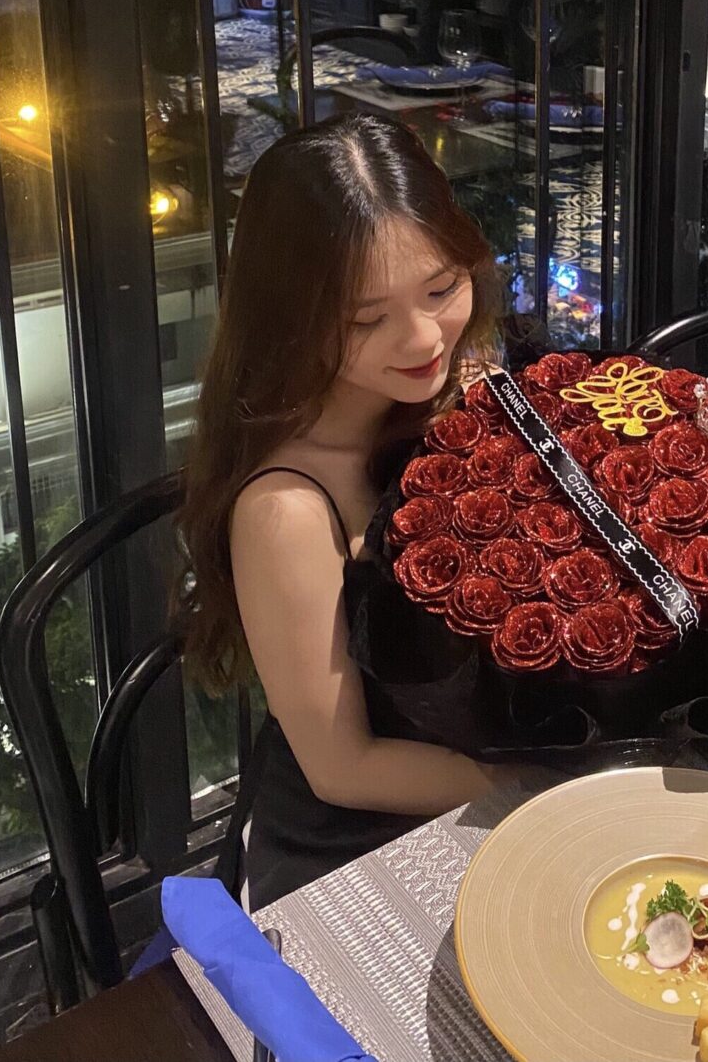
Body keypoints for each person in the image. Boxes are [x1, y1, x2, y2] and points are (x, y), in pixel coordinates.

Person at [176, 114, 511, 906]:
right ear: (290, 318)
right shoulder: (287, 509)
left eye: (442, 289)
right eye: (367, 319)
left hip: (485, 766)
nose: (423, 338)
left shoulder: (447, 395)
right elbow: (343, 767)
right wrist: (537, 783)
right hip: (355, 838)